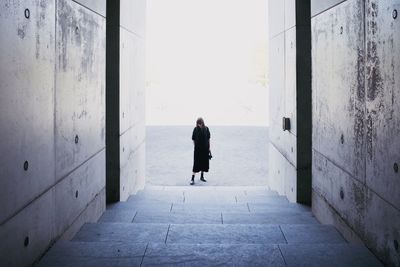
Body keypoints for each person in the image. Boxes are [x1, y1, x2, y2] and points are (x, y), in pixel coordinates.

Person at [190, 117, 211, 185]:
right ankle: (192, 178)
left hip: (205, 149)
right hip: (197, 150)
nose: (199, 125)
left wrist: (209, 148)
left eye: (200, 123)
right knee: (196, 164)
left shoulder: (206, 128)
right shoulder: (195, 129)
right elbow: (193, 139)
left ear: (203, 123)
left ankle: (202, 177)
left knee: (203, 163)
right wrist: (195, 146)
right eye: (198, 123)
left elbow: (208, 139)